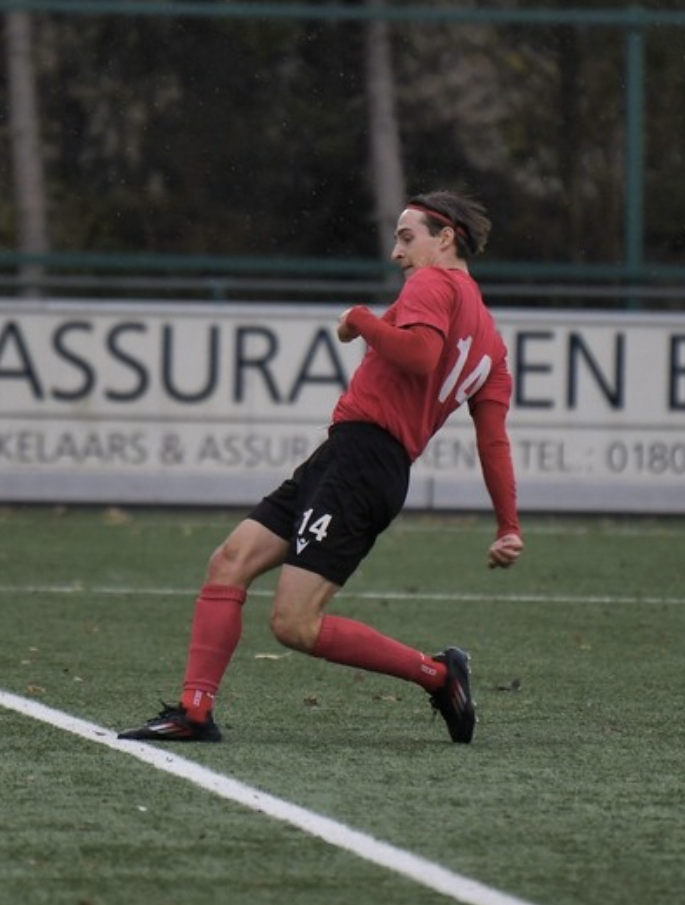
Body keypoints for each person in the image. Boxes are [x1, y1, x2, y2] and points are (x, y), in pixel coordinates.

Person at [119, 191, 523, 745]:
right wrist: (508, 525)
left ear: (446, 238)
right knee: (229, 562)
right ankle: (194, 711)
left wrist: (359, 319)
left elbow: (420, 356)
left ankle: (437, 674)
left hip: (363, 464)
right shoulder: (493, 346)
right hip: (348, 458)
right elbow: (493, 440)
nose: (397, 253)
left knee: (294, 623)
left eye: (407, 238)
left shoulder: (433, 282)